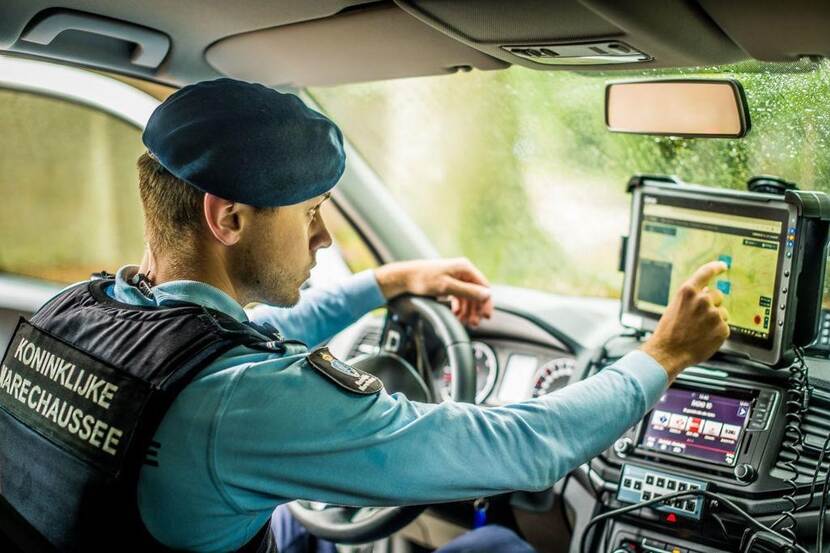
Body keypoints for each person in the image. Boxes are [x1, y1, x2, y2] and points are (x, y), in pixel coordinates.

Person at [0, 78, 730, 553]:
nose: (323, 238)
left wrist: (387, 282)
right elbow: (524, 448)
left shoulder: (76, 313)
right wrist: (663, 355)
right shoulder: (251, 403)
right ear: (229, 219)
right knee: (500, 546)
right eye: (310, 214)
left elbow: (212, 352)